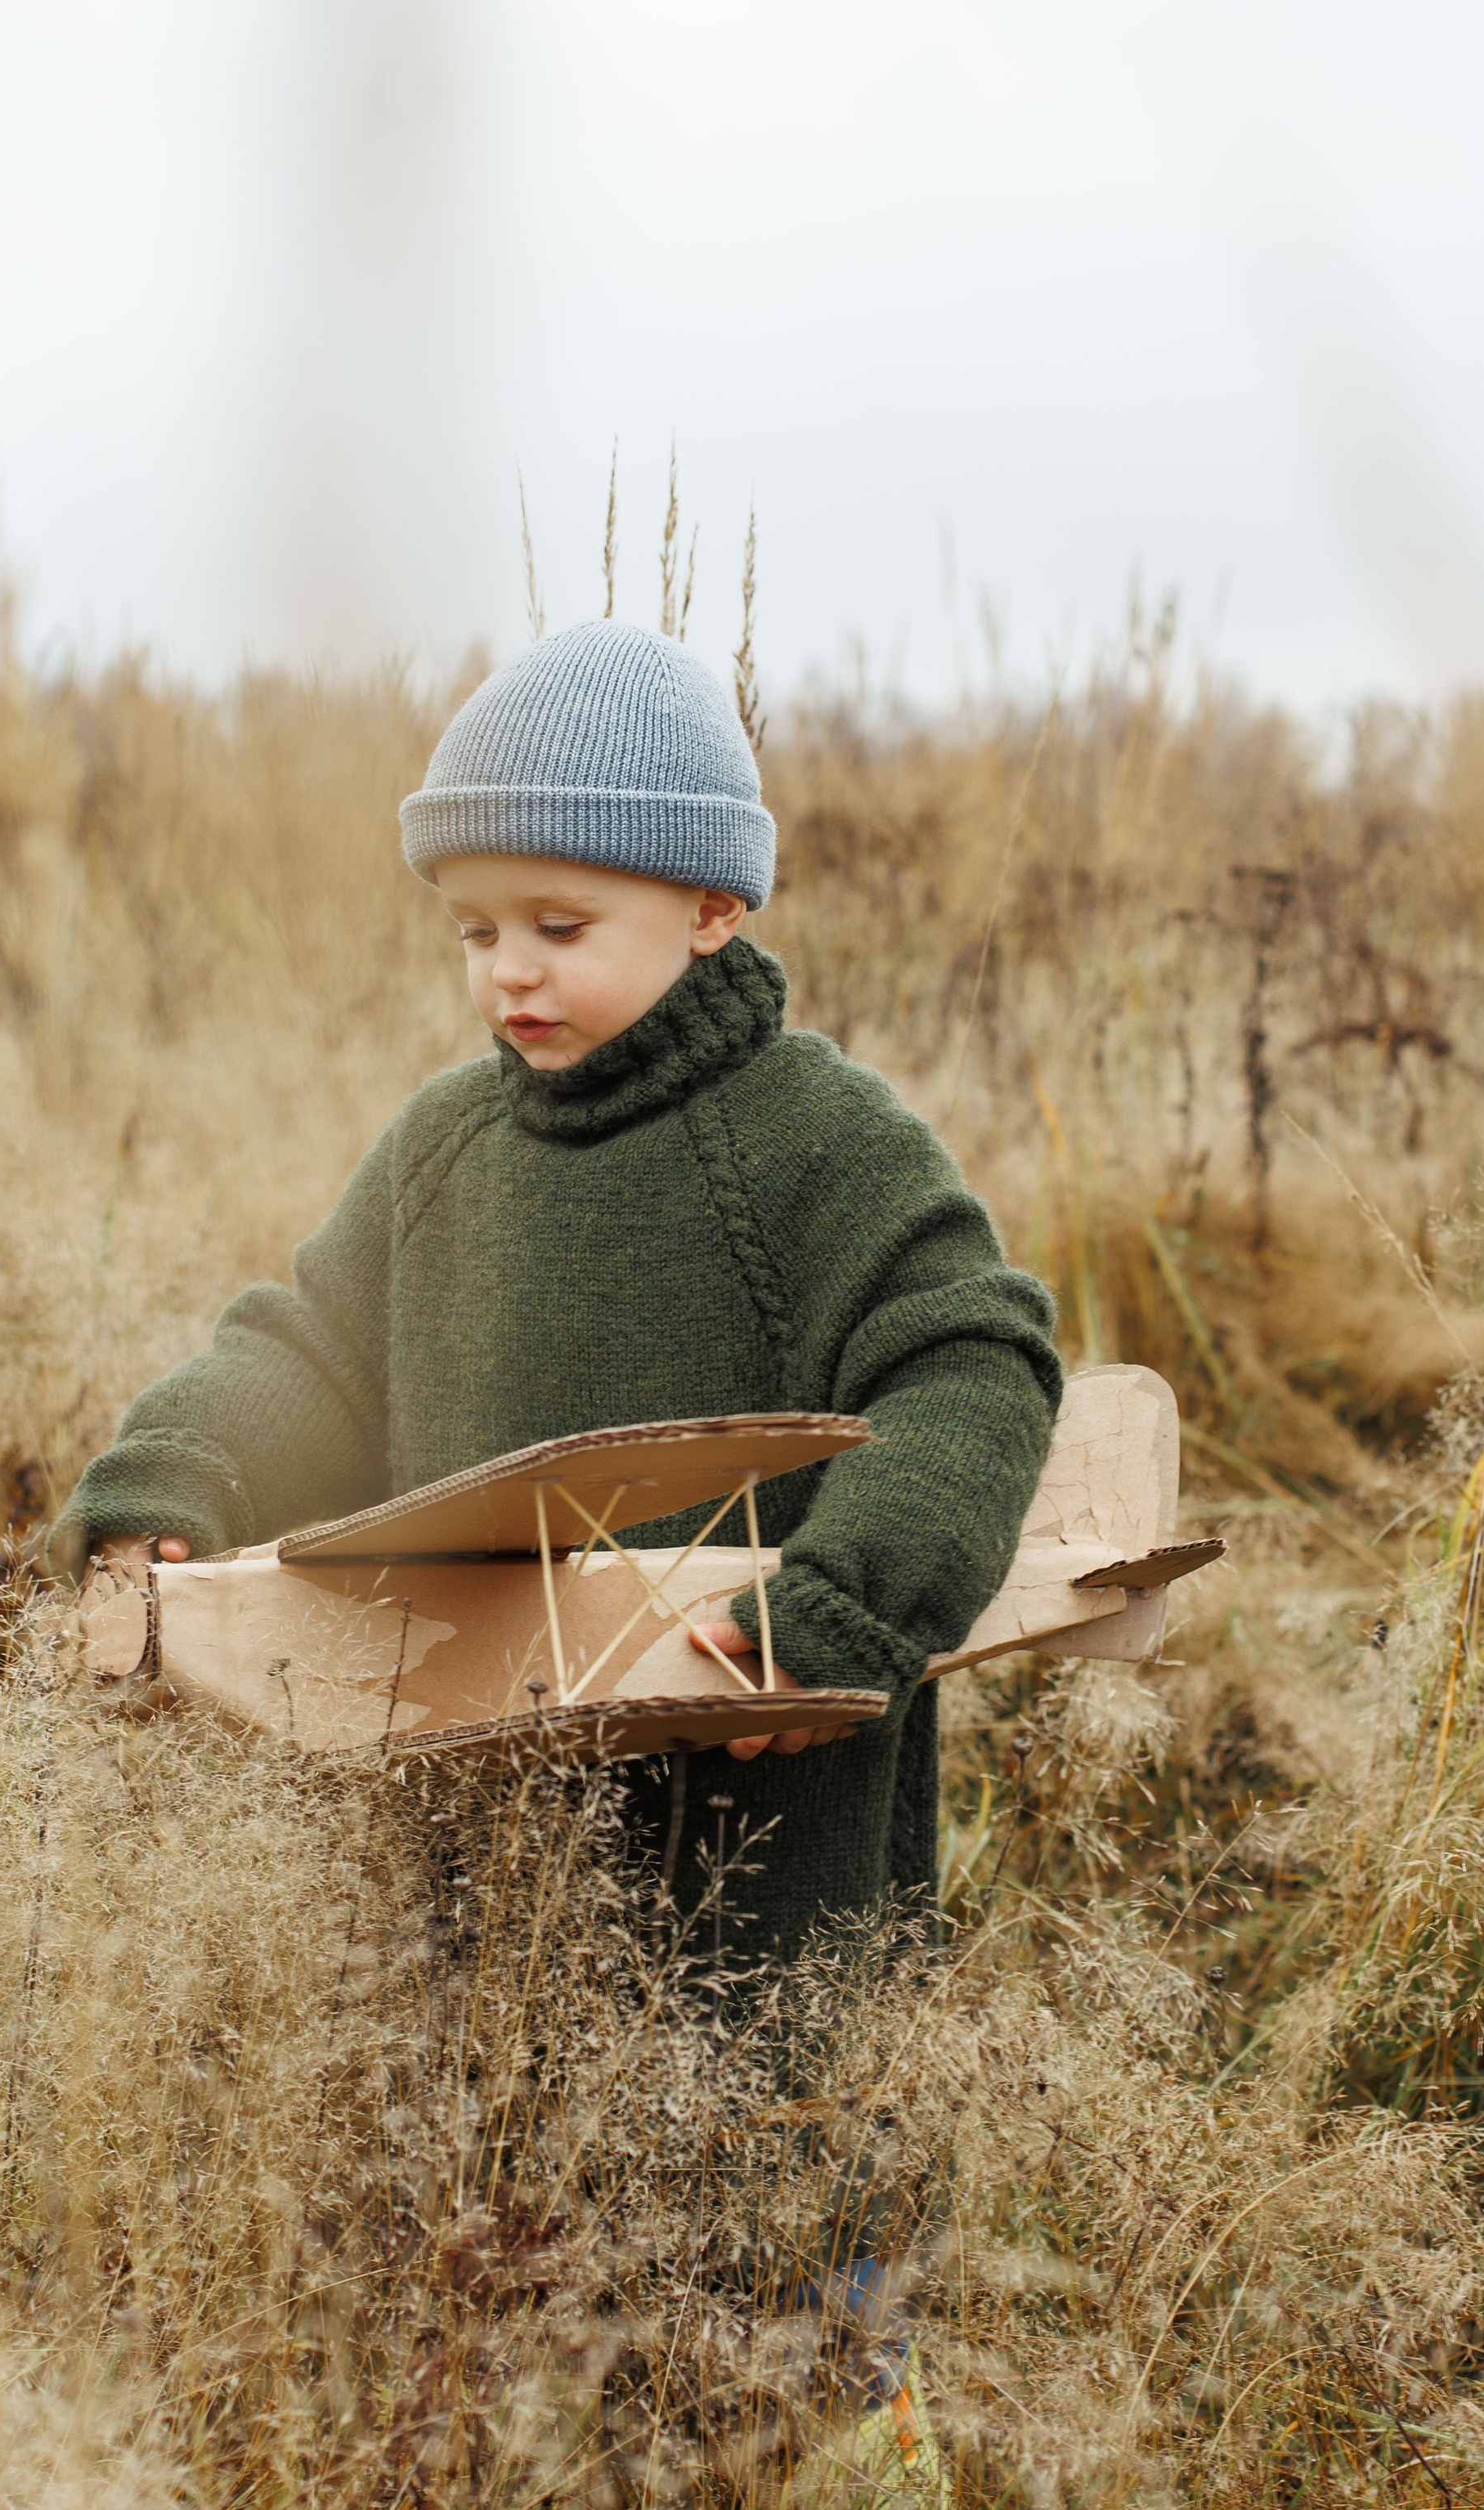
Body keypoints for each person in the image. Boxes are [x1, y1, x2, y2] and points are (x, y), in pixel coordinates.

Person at [53, 620, 1061, 1987]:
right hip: (466, 1818)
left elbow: (971, 1358)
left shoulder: (817, 1142)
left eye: (559, 926)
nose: (507, 970)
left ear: (712, 908)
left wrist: (855, 1601)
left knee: (767, 2092)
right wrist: (173, 1478)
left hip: (762, 1810)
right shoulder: (443, 1147)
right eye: (475, 930)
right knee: (470, 2072)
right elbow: (315, 1351)